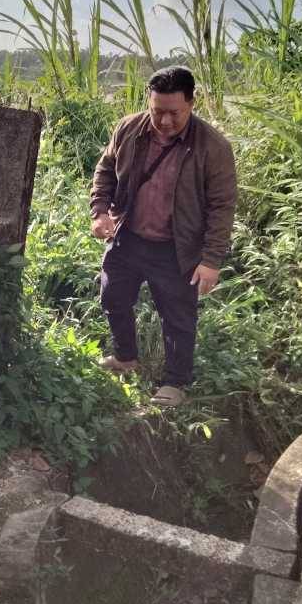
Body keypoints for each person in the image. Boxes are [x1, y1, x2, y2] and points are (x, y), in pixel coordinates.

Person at [90, 66, 237, 406]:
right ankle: (126, 358)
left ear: (192, 103)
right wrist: (99, 211)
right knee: (112, 297)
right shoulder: (128, 128)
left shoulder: (213, 147)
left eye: (175, 113)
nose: (165, 121)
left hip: (176, 248)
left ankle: (175, 383)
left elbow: (222, 207)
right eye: (158, 112)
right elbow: (105, 170)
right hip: (129, 236)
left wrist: (211, 260)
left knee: (177, 316)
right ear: (148, 102)